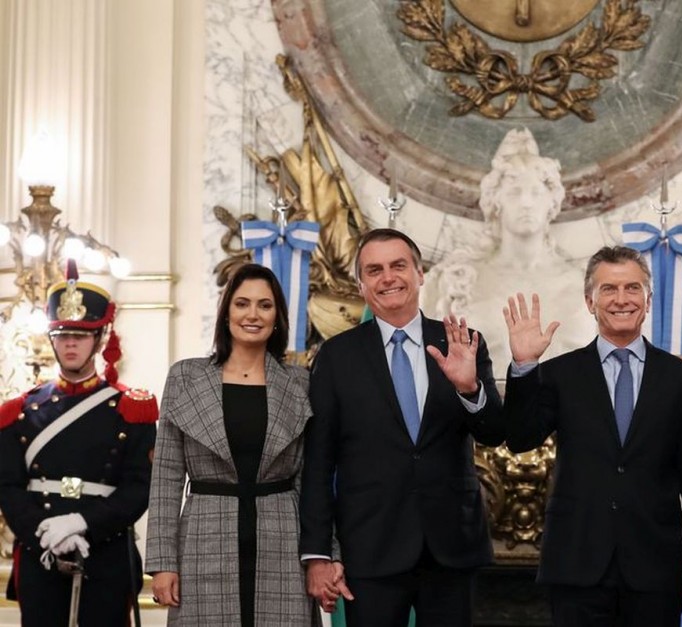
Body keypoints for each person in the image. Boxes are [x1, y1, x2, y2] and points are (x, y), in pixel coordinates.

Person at [501, 245, 682, 627]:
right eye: (609, 289)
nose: (622, 299)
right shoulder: (559, 374)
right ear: (590, 301)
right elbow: (520, 438)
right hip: (577, 564)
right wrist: (523, 366)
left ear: (648, 300)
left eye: (632, 288)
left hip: (653, 566)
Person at [300, 228, 505, 626]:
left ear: (420, 273)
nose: (388, 277)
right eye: (374, 270)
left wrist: (469, 388)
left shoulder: (460, 342)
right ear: (361, 284)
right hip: (371, 547)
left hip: (451, 545)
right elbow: (319, 463)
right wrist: (318, 554)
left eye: (398, 265)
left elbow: (494, 432)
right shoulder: (336, 357)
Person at [145, 263, 316, 626]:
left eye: (265, 305)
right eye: (242, 304)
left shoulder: (300, 383)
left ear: (278, 316)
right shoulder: (185, 377)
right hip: (204, 538)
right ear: (226, 314)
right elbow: (166, 478)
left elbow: (312, 480)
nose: (253, 314)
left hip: (283, 539)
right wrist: (162, 563)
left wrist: (322, 554)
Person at [0, 260, 158, 625]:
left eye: (81, 334)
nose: (70, 343)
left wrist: (82, 522)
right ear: (51, 338)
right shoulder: (18, 411)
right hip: (40, 550)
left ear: (101, 337)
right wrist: (47, 533)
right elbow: (7, 487)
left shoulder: (131, 408)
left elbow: (139, 487)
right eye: (62, 334)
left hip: (106, 551)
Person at [422, 128, 595, 368]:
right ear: (496, 201)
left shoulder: (583, 282)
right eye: (515, 192)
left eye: (536, 192)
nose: (526, 203)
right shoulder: (456, 280)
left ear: (552, 202)